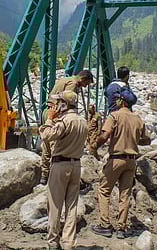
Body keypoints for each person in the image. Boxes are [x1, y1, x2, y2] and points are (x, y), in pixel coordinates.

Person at [90, 88, 148, 239]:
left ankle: (105, 225)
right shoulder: (138, 119)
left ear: (121, 101)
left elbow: (105, 135)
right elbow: (146, 139)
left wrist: (95, 144)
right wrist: (134, 139)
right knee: (125, 194)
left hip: (116, 159)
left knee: (104, 190)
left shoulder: (114, 116)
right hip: (131, 161)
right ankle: (121, 228)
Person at [40, 91, 88, 250]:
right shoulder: (82, 121)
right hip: (76, 165)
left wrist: (49, 119)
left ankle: (53, 242)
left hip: (60, 165)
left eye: (59, 102)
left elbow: (47, 136)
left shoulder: (65, 121)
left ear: (64, 104)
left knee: (54, 205)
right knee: (72, 207)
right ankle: (69, 243)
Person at [42, 70, 94, 184]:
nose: (85, 86)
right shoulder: (73, 84)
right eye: (87, 83)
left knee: (46, 144)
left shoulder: (65, 79)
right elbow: (67, 101)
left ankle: (44, 174)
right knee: (54, 144)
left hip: (48, 111)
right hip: (56, 113)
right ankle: (53, 174)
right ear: (83, 78)